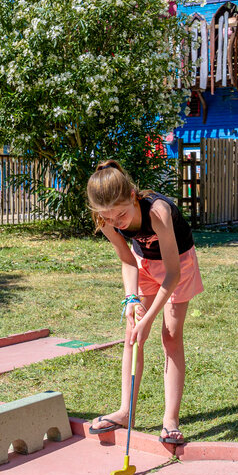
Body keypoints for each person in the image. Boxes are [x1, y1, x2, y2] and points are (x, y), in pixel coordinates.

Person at [86, 160, 204, 446]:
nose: (116, 222)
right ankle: (126, 411)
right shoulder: (105, 220)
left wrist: (150, 315)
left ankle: (170, 420)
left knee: (171, 335)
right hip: (144, 265)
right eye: (108, 217)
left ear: (132, 196)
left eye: (121, 214)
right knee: (133, 336)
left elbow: (173, 273)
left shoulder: (158, 212)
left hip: (178, 265)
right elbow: (127, 259)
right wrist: (130, 298)